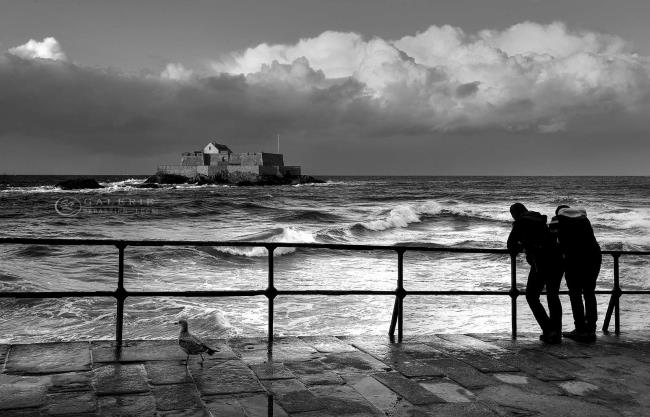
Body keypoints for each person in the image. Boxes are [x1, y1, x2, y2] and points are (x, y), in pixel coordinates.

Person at [507, 203, 563, 344]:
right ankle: (557, 333)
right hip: (557, 260)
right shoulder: (539, 219)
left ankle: (549, 330)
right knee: (553, 296)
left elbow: (511, 245)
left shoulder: (521, 222)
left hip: (542, 262)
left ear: (515, 214)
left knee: (531, 296)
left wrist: (522, 247)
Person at [550, 205, 601, 343]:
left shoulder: (557, 219)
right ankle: (591, 329)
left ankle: (580, 329)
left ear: (558, 212)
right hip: (594, 257)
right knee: (589, 293)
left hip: (574, 260)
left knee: (575, 293)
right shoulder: (584, 219)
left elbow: (552, 242)